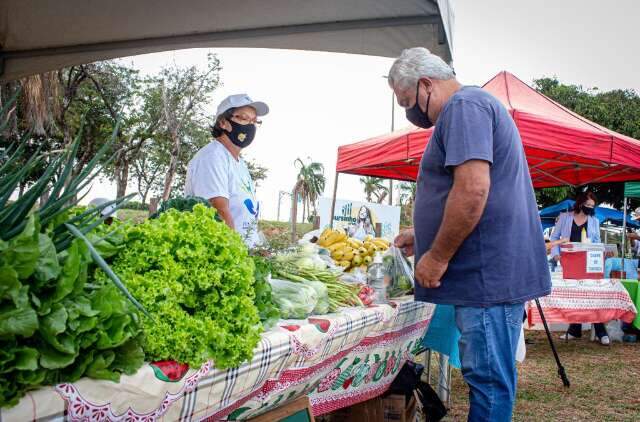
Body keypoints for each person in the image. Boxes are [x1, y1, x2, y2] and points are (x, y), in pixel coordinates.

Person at [389, 47, 550, 421]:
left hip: (485, 277)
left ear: (426, 84)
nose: (410, 112)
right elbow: (468, 191)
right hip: (487, 273)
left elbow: (473, 189)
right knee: (489, 379)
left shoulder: (464, 107)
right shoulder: (471, 107)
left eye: (408, 101)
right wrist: (423, 233)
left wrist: (438, 255)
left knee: (489, 382)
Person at [184, 94, 268, 247]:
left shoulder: (240, 164)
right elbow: (219, 212)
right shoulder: (213, 157)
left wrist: (256, 248)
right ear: (223, 122)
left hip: (245, 256)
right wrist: (237, 256)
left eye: (254, 121)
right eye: (243, 118)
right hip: (228, 257)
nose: (250, 126)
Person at [550, 192, 610, 345]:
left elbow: (597, 243)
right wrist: (556, 255)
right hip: (567, 261)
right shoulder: (565, 217)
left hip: (587, 263)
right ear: (580, 203)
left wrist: (604, 252)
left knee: (592, 295)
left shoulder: (594, 221)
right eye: (587, 205)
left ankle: (600, 331)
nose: (590, 208)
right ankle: (574, 330)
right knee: (574, 297)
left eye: (592, 206)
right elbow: (554, 237)